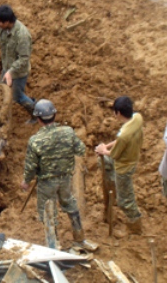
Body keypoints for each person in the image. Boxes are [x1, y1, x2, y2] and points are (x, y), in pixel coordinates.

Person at [20, 100, 96, 249]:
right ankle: (79, 239)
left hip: (47, 183)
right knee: (70, 204)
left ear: (38, 119)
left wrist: (26, 182)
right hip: (66, 179)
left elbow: (31, 166)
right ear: (54, 115)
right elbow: (81, 150)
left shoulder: (35, 141)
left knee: (48, 212)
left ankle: (54, 245)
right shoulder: (68, 132)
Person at [95, 96, 144, 234]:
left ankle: (135, 226)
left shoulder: (124, 135)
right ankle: (112, 186)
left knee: (125, 201)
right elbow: (119, 142)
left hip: (124, 166)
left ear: (118, 113)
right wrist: (106, 146)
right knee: (103, 162)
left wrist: (103, 150)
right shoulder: (137, 118)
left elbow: (114, 154)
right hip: (131, 155)